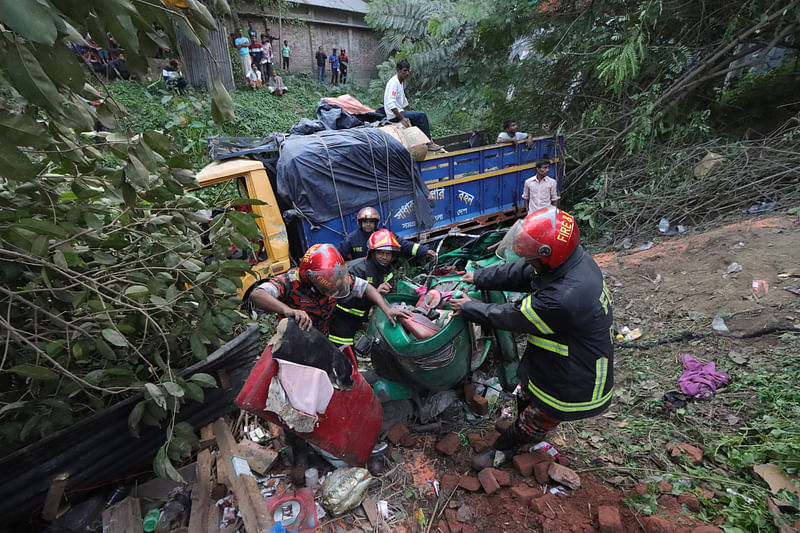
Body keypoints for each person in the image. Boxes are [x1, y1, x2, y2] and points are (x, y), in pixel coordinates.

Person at [450, 208, 613, 457]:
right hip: (556, 362)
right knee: (527, 393)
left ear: (548, 255)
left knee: (535, 420)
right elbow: (524, 272)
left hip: (574, 380)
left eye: (531, 257)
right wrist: (479, 277)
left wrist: (469, 307)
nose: (527, 261)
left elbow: (512, 316)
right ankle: (522, 433)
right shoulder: (568, 262)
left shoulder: (564, 298)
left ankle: (504, 449)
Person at [248, 243, 410, 335]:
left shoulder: (334, 277)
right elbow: (257, 295)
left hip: (322, 336)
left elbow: (366, 287)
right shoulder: (289, 281)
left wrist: (386, 309)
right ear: (309, 277)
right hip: (292, 339)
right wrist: (289, 311)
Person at [328, 229, 401, 346]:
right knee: (343, 353)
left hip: (361, 318)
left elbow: (392, 292)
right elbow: (343, 298)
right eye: (380, 253)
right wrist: (374, 293)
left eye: (388, 254)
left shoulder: (388, 270)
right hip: (343, 318)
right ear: (372, 253)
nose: (384, 257)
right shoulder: (357, 269)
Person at [383, 59, 443, 152]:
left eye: (408, 71)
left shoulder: (400, 81)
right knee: (421, 115)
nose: (407, 73)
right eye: (404, 71)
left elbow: (403, 100)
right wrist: (402, 118)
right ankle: (429, 144)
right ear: (398, 70)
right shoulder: (394, 82)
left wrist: (410, 110)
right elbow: (390, 104)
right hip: (394, 115)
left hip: (400, 111)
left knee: (417, 115)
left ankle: (421, 142)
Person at [339, 207, 437, 262]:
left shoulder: (384, 235)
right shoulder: (352, 239)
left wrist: (424, 250)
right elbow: (340, 256)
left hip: (381, 271)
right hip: (361, 275)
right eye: (365, 222)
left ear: (376, 223)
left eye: (371, 221)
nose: (368, 224)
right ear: (360, 223)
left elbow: (403, 244)